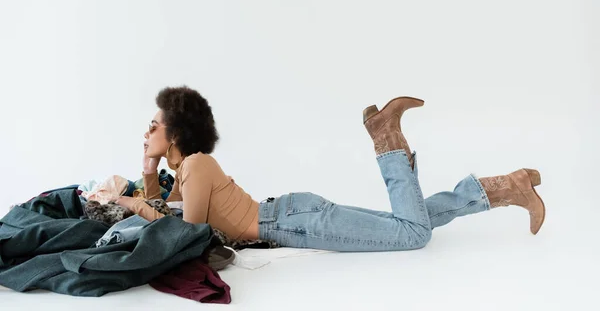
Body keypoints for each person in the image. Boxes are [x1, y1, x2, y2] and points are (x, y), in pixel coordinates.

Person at [116, 86, 546, 252]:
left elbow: (184, 232)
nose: (146, 128)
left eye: (155, 124)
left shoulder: (198, 164)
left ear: (178, 131)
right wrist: (147, 167)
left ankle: (387, 139)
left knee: (413, 234)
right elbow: (167, 206)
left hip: (294, 224)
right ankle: (509, 187)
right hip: (294, 214)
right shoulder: (191, 171)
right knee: (408, 221)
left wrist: (132, 206)